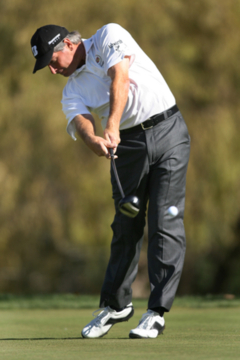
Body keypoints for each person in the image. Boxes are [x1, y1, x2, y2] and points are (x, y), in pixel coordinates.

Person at [30, 23, 190, 339]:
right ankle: (116, 305)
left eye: (52, 60)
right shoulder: (71, 89)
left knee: (164, 220)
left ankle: (155, 312)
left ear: (67, 45)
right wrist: (94, 139)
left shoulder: (108, 36)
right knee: (126, 224)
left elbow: (121, 76)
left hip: (168, 131)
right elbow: (81, 121)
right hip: (127, 147)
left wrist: (112, 124)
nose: (52, 69)